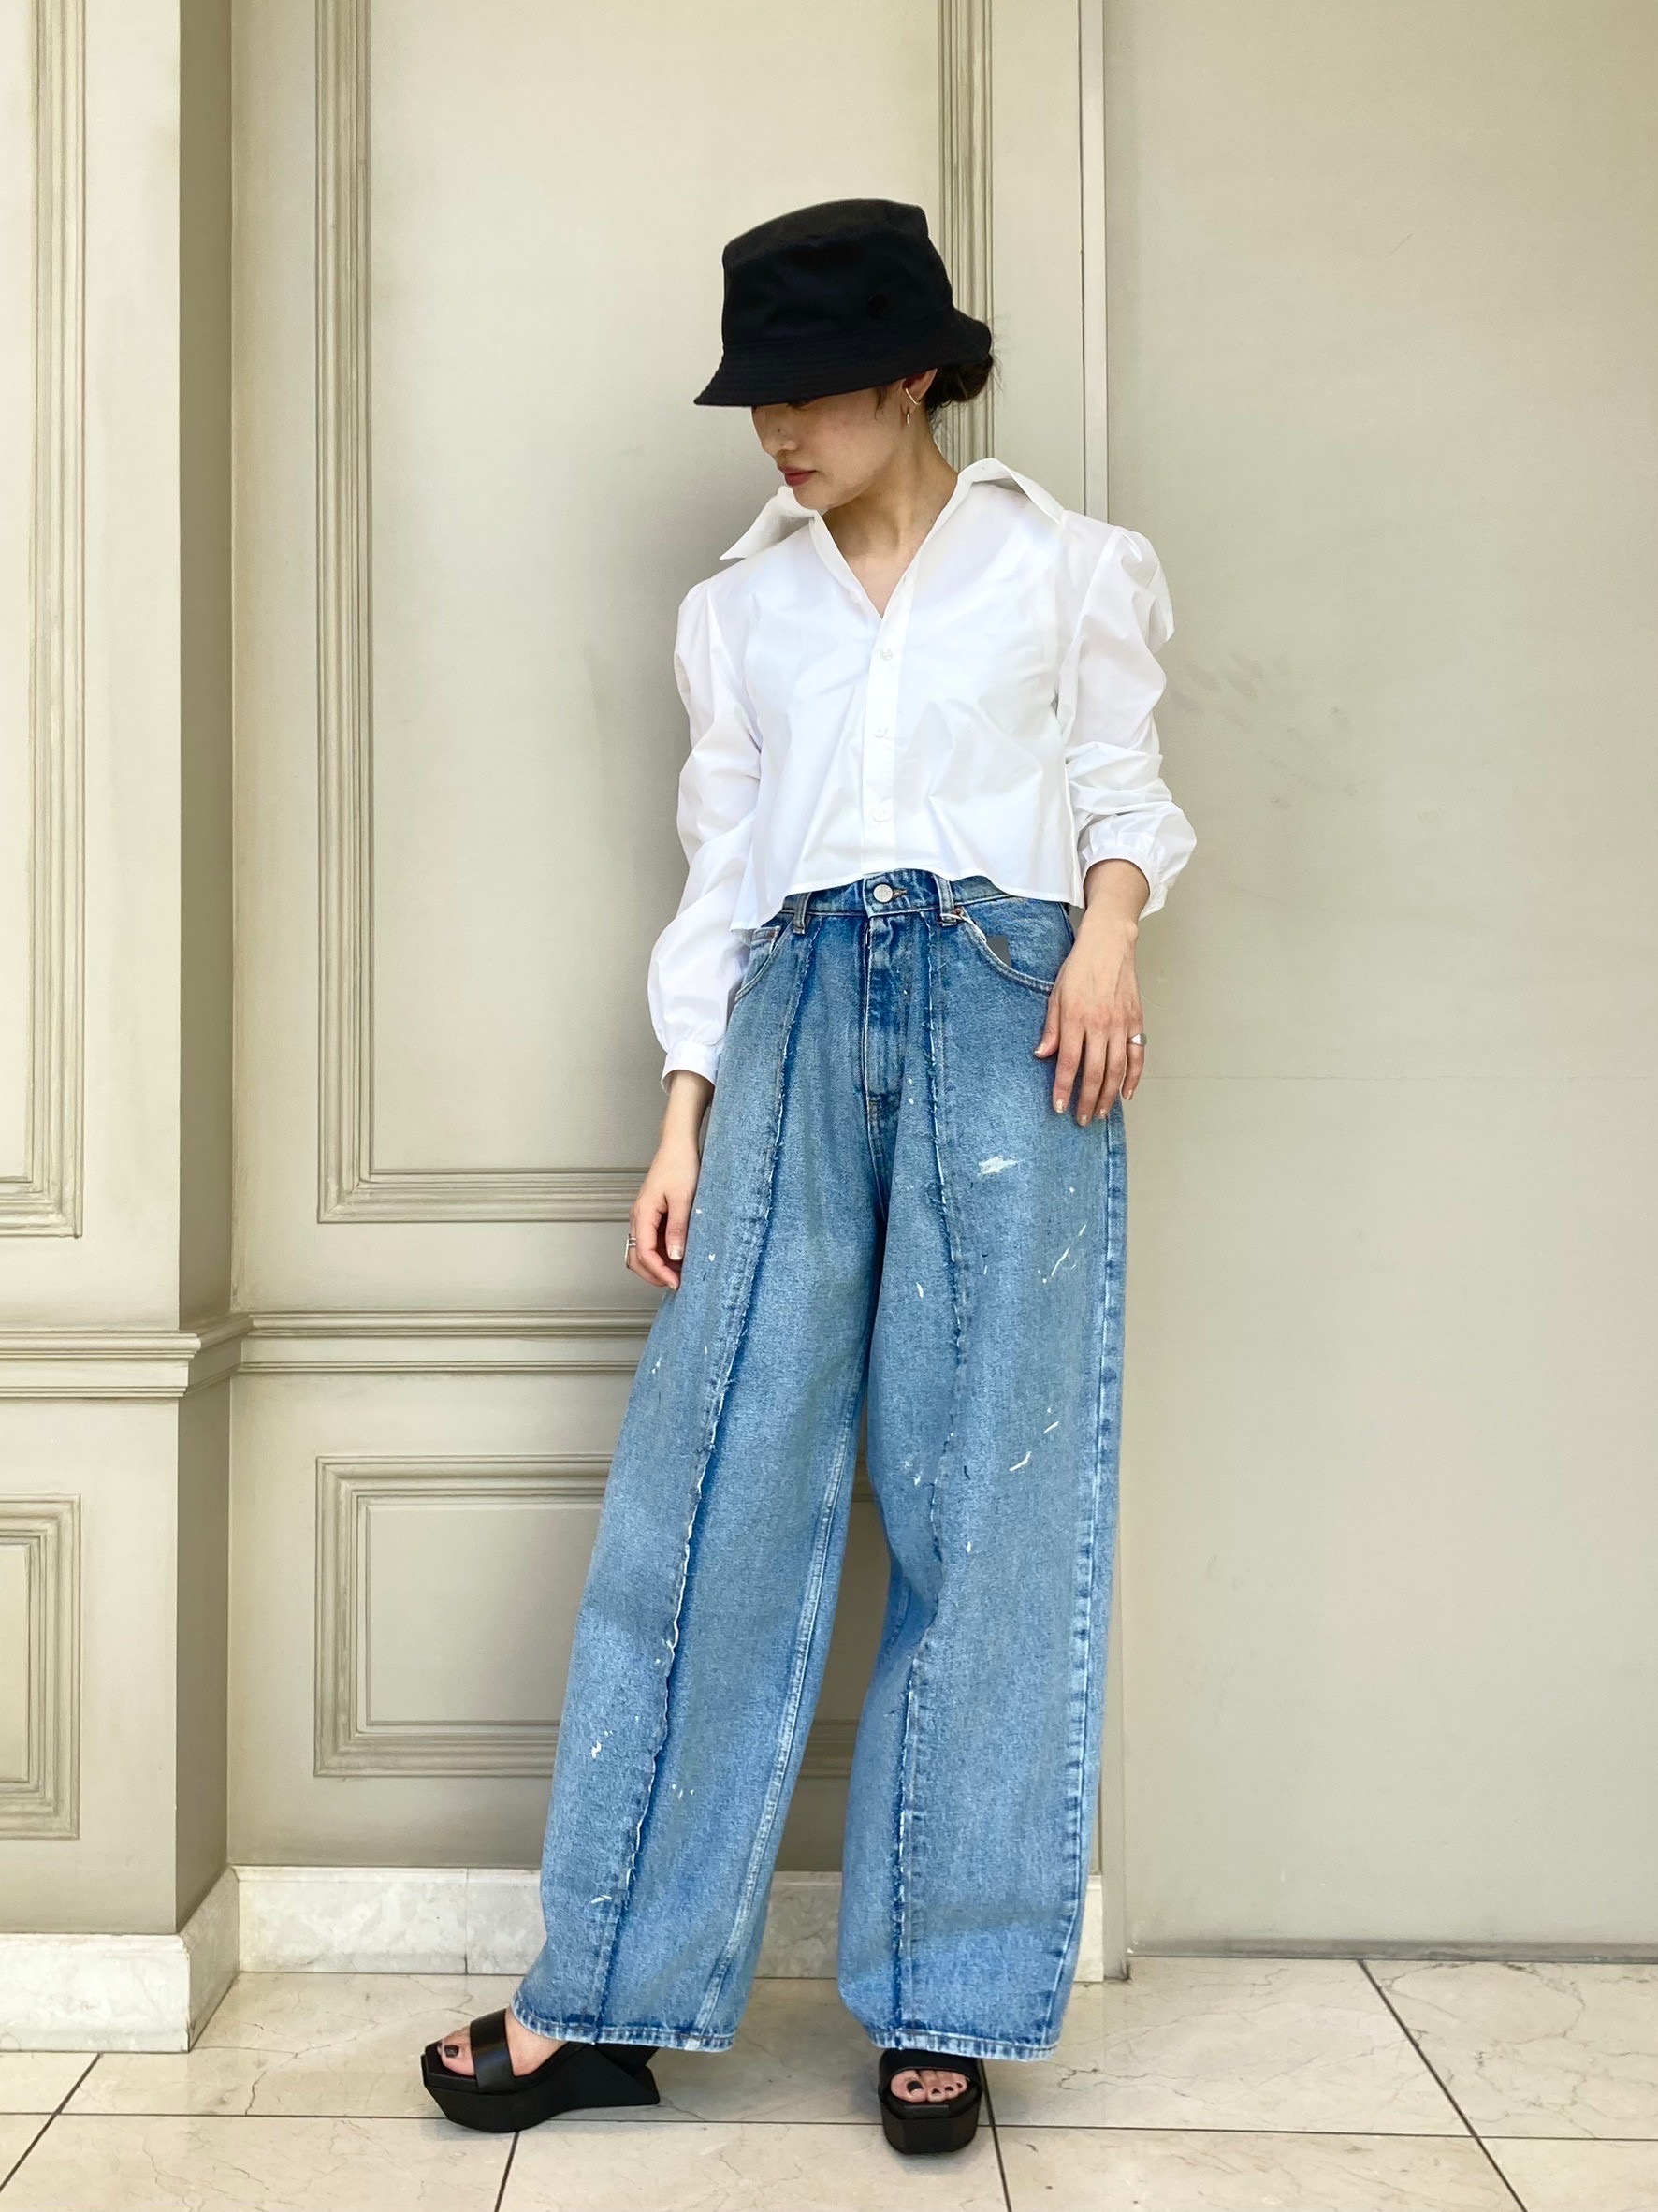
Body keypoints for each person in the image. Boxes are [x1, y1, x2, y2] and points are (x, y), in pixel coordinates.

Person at [421, 196, 1195, 2158]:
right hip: (784, 1022)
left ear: (915, 375)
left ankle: (948, 2000)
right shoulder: (737, 609)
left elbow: (1125, 788)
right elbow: (721, 871)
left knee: (988, 1504)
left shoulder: (1071, 566)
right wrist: (683, 1109)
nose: (778, 429)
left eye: (815, 391)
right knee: (708, 1499)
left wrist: (1109, 939)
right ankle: (605, 1991)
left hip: (1017, 1017)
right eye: (758, 395)